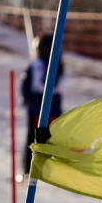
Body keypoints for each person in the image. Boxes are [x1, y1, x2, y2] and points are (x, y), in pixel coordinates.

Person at [20, 34, 64, 175]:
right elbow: (26, 84)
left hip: (45, 109)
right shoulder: (53, 65)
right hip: (42, 109)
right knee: (37, 141)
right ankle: (31, 170)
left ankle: (41, 170)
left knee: (40, 141)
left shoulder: (54, 66)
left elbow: (29, 85)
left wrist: (27, 96)